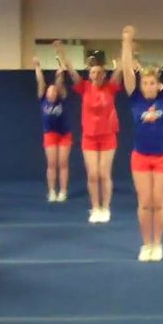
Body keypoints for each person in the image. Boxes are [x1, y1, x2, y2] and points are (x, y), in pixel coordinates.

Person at [122, 25, 163, 261]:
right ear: (140, 85)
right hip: (141, 157)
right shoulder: (135, 98)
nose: (147, 87)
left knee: (158, 202)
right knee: (145, 203)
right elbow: (127, 68)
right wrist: (126, 40)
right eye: (144, 83)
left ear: (158, 85)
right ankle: (146, 244)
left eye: (151, 83)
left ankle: (158, 243)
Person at [61, 41, 123, 223]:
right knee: (93, 175)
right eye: (92, 72)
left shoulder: (110, 88)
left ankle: (106, 207)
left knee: (104, 174)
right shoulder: (84, 88)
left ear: (104, 75)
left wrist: (126, 48)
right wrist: (61, 52)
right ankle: (95, 207)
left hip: (108, 137)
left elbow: (119, 70)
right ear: (89, 75)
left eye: (98, 72)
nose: (95, 75)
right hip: (89, 138)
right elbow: (71, 71)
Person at [33, 55, 71, 203]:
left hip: (64, 134)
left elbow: (60, 83)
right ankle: (51, 191)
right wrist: (37, 66)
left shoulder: (62, 98)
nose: (52, 93)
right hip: (50, 134)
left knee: (63, 164)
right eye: (50, 91)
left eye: (54, 91)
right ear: (46, 93)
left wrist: (60, 71)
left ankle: (63, 191)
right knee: (52, 164)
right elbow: (40, 82)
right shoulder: (43, 99)